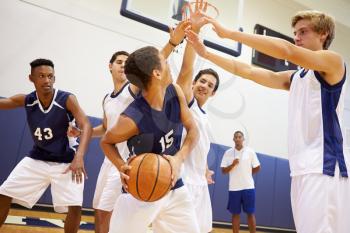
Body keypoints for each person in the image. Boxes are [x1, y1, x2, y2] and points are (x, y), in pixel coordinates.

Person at [186, 10, 348, 233]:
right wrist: (206, 52)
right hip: (302, 169)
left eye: (303, 31)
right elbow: (248, 71)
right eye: (295, 33)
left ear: (323, 34)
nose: (297, 37)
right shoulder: (296, 77)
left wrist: (230, 34)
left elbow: (286, 50)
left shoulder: (333, 62)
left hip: (325, 168)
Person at [67, 21, 190, 233]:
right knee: (99, 210)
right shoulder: (108, 99)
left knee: (111, 213)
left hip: (133, 159)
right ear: (110, 66)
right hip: (113, 158)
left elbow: (153, 66)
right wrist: (82, 132)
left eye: (126, 62)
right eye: (119, 61)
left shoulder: (132, 88)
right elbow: (106, 129)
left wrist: (172, 42)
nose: (123, 65)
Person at [100, 45, 200, 233]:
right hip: (141, 191)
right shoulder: (132, 118)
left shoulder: (175, 92)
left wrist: (179, 158)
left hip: (174, 187)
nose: (169, 65)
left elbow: (193, 130)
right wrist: (121, 166)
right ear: (157, 73)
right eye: (165, 62)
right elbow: (106, 141)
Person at [0, 58, 92, 233]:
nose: (47, 80)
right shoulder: (28, 100)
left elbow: (86, 124)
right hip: (37, 158)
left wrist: (79, 157)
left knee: (75, 206)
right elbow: (6, 103)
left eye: (50, 76)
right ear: (31, 78)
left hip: (67, 161)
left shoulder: (66, 99)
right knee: (3, 193)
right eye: (41, 76)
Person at [176, 1, 219, 232]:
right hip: (183, 181)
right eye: (202, 81)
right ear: (193, 84)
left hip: (200, 183)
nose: (204, 85)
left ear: (213, 93)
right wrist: (194, 32)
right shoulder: (188, 102)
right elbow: (186, 69)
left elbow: (199, 147)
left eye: (210, 85)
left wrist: (203, 168)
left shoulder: (205, 116)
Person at [221, 131, 260, 233]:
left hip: (248, 187)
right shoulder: (228, 153)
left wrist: (248, 174)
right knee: (235, 214)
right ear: (233, 139)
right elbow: (223, 171)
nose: (238, 139)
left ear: (243, 139)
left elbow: (257, 167)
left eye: (240, 137)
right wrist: (232, 165)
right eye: (236, 137)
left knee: (250, 213)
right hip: (234, 188)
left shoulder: (250, 151)